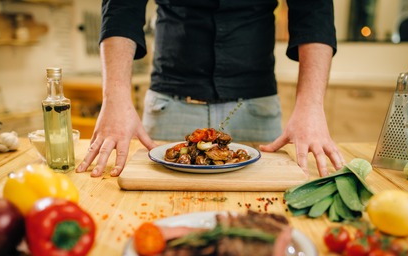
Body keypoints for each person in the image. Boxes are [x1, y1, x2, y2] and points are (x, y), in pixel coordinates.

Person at [76, 0, 345, 178]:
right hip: (169, 104)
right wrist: (114, 97)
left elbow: (314, 11)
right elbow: (122, 7)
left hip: (255, 108)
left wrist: (311, 106)